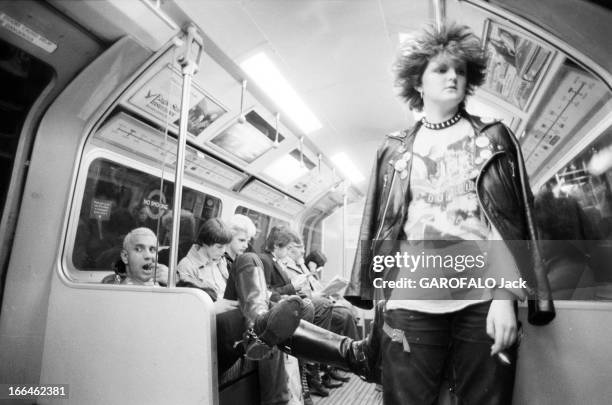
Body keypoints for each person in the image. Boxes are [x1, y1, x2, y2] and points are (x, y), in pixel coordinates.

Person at [337, 23, 555, 404]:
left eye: (459, 70)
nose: (453, 76)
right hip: (410, 303)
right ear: (417, 82)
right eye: (440, 69)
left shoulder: (494, 139)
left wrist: (504, 297)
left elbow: (508, 221)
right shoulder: (393, 151)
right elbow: (381, 225)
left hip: (480, 301)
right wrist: (374, 295)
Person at [177, 217, 233, 301]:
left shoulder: (223, 262)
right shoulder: (187, 266)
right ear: (205, 243)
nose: (223, 251)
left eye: (225, 246)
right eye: (219, 247)